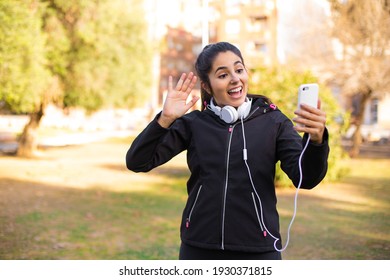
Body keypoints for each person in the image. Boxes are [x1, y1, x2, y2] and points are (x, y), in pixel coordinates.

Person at [126, 42, 329, 260]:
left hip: (258, 250)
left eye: (239, 70)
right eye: (223, 75)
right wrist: (164, 120)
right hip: (199, 247)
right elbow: (138, 161)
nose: (235, 78)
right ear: (206, 85)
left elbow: (305, 178)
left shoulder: (274, 122)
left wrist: (316, 141)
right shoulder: (194, 124)